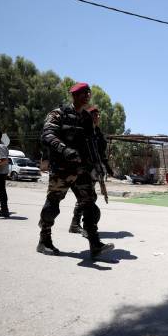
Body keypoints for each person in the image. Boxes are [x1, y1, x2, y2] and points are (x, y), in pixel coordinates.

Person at [37, 82, 114, 258]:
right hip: (62, 169)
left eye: (89, 93)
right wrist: (65, 150)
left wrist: (98, 165)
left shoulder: (87, 118)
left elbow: (92, 143)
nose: (87, 96)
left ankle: (94, 244)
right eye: (83, 93)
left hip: (83, 169)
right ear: (74, 96)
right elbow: (47, 135)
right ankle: (44, 241)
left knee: (89, 205)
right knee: (52, 205)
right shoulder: (58, 114)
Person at [68, 106, 113, 236]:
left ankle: (77, 224)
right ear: (89, 116)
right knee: (88, 196)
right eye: (95, 115)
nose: (98, 117)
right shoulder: (84, 131)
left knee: (88, 197)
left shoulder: (97, 132)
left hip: (94, 169)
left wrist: (108, 168)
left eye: (99, 115)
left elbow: (101, 154)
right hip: (84, 169)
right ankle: (78, 225)